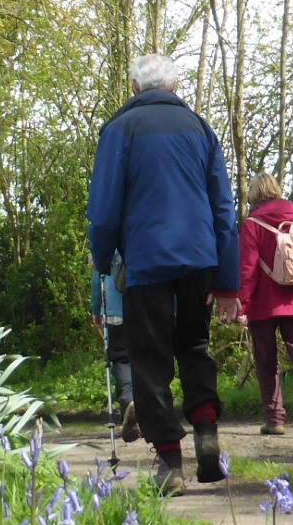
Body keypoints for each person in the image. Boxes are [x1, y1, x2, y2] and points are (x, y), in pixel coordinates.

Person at [87, 54, 241, 494]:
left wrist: (102, 263)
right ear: (174, 86)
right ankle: (207, 436)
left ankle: (171, 462)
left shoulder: (119, 129)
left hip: (148, 257)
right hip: (200, 256)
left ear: (135, 87)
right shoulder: (201, 128)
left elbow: (103, 212)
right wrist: (228, 279)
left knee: (150, 358)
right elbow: (224, 211)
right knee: (195, 344)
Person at [237, 172, 293, 438]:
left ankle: (275, 419)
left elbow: (248, 269)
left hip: (263, 305)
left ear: (254, 195)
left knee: (266, 361)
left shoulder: (252, 224)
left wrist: (243, 305)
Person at [91, 262, 138, 442]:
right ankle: (150, 408)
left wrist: (96, 310)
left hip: (115, 309)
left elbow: (98, 279)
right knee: (148, 358)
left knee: (121, 359)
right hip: (146, 307)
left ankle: (129, 402)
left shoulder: (107, 239)